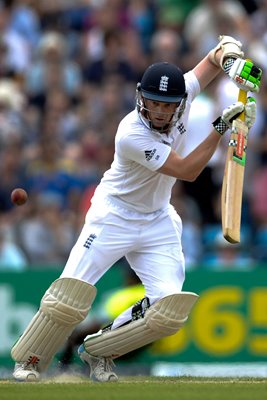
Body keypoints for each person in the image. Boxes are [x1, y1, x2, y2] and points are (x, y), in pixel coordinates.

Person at [11, 35, 262, 382]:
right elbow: (187, 171)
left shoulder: (184, 93)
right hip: (113, 216)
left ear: (180, 102)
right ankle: (29, 360)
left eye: (167, 105)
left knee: (168, 311)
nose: (160, 111)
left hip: (157, 219)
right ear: (141, 99)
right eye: (153, 102)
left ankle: (98, 352)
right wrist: (221, 127)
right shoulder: (131, 133)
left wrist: (233, 60)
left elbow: (214, 57)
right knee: (69, 296)